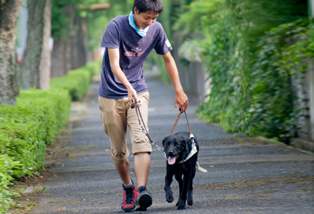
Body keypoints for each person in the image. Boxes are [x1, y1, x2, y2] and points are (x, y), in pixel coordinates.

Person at [98, 0, 188, 212]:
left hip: (139, 92)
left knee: (141, 142)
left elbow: (168, 58)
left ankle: (142, 190)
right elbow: (114, 63)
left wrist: (179, 89)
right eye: (146, 17)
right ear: (135, 11)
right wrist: (127, 87)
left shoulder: (156, 29)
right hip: (111, 94)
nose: (150, 22)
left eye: (154, 18)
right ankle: (128, 187)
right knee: (119, 153)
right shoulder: (115, 26)